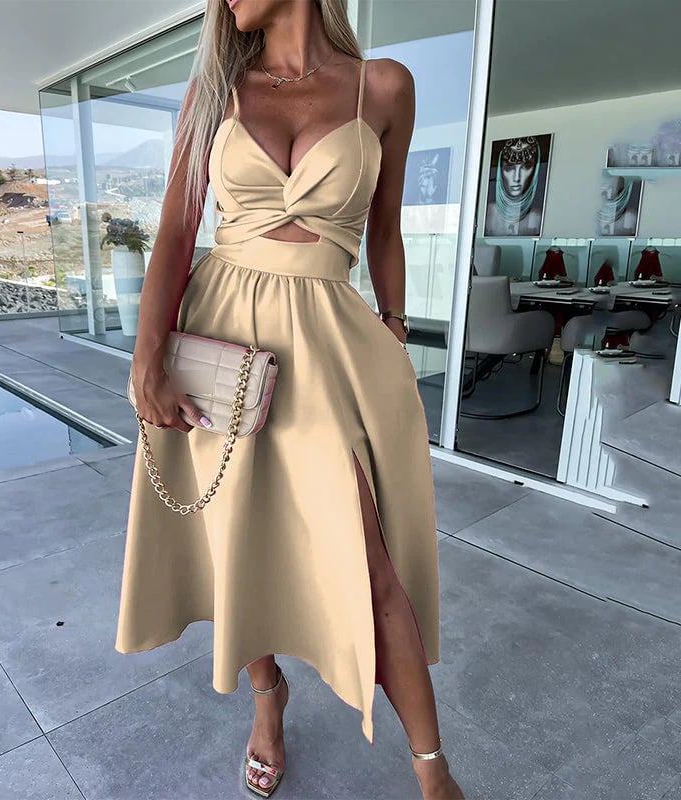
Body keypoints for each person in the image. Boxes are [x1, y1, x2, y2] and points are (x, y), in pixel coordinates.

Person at [115, 1, 463, 798]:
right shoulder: (216, 87)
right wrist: (146, 358)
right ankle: (267, 696)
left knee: (369, 562)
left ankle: (433, 771)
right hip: (220, 334)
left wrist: (394, 331)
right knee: (233, 538)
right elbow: (176, 228)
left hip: (329, 342)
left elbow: (385, 229)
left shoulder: (384, 87)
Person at [484, 136, 544, 236]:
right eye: (509, 168)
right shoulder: (487, 213)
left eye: (526, 167)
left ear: (535, 170)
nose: (517, 178)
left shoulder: (537, 217)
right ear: (500, 170)